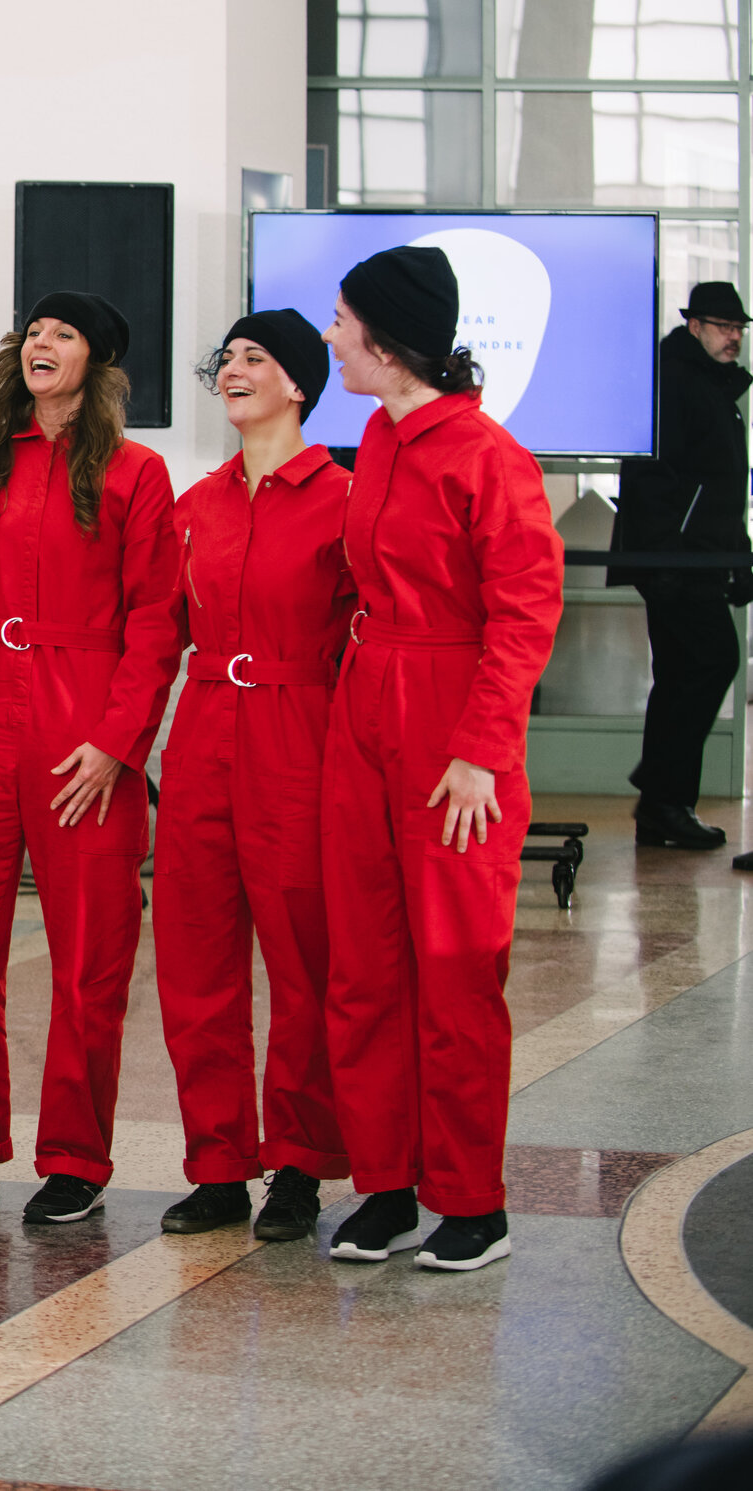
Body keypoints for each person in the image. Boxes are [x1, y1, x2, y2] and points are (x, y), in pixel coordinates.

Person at [0, 292, 179, 1224]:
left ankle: (75, 1158)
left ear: (95, 363)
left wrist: (119, 742)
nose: (40, 345)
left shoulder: (137, 474)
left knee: (91, 953)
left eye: (63, 335)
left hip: (84, 725)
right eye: (32, 335)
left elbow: (155, 621)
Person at [318, 245, 562, 1273]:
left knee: (457, 967)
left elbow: (523, 612)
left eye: (340, 321)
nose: (330, 337)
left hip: (453, 719)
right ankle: (385, 1182)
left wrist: (478, 753)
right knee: (364, 963)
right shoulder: (375, 436)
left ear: (385, 338)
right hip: (365, 703)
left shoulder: (487, 457)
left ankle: (472, 1199)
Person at [149, 311, 351, 1244]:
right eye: (224, 357)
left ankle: (302, 1164)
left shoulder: (343, 498)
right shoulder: (196, 504)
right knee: (196, 958)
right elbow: (153, 634)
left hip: (300, 736)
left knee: (303, 962)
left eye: (255, 358)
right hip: (202, 736)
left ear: (300, 384)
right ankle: (219, 1163)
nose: (232, 369)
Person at [610, 280, 751, 854]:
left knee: (685, 672)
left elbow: (718, 486)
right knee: (711, 660)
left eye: (739, 328)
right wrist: (667, 554)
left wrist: (736, 550)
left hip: (694, 556)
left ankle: (663, 803)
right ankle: (664, 797)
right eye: (723, 326)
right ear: (694, 326)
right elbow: (653, 477)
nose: (734, 337)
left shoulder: (709, 384)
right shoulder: (675, 379)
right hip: (676, 559)